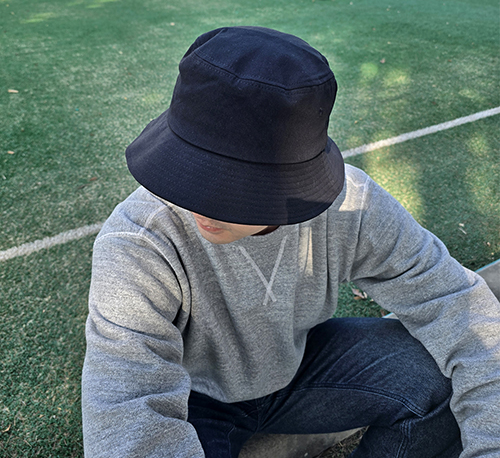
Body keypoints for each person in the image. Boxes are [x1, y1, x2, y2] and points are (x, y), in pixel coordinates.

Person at [81, 26, 500, 458]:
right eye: (188, 167)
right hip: (191, 397)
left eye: (230, 185)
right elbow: (126, 406)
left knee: (436, 376)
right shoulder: (139, 239)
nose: (197, 201)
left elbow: (458, 305)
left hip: (300, 370)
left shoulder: (353, 208)